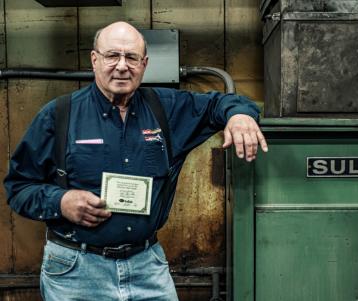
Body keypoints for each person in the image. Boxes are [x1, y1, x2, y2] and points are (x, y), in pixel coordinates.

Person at [4, 21, 267, 301]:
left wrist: (240, 116)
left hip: (146, 267)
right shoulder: (58, 115)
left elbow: (221, 103)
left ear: (144, 64)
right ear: (94, 60)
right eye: (112, 56)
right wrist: (60, 202)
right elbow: (19, 188)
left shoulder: (167, 108)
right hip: (76, 270)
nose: (121, 66)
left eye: (131, 57)